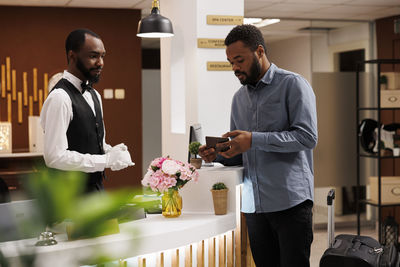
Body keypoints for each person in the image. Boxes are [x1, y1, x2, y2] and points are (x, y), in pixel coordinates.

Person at [199, 24, 317, 267]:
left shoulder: (293, 85)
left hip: (290, 203)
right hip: (254, 206)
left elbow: (306, 137)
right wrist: (218, 155)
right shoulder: (238, 99)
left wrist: (253, 139)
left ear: (260, 51)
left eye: (239, 60)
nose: (235, 68)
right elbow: (241, 154)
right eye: (230, 62)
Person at [40, 28, 134, 193]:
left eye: (102, 56)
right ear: (72, 56)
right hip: (67, 195)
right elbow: (54, 157)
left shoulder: (95, 95)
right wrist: (105, 161)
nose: (100, 63)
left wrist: (113, 152)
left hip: (96, 189)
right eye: (93, 56)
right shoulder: (60, 97)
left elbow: (95, 143)